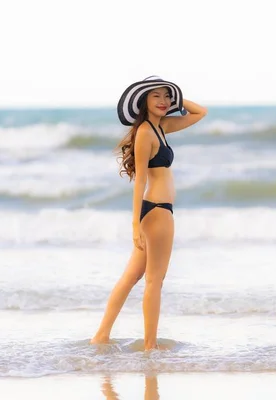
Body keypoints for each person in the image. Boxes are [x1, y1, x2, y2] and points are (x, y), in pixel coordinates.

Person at [91, 76, 207, 350]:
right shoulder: (144, 132)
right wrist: (135, 225)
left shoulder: (160, 127)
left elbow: (200, 112)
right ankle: (150, 346)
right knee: (155, 280)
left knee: (131, 277)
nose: (164, 101)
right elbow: (140, 180)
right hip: (156, 212)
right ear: (144, 101)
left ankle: (101, 336)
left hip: (156, 211)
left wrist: (175, 99)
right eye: (156, 96)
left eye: (168, 96)